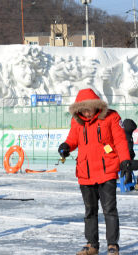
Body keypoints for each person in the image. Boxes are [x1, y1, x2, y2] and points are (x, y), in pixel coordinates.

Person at [58, 88, 131, 255]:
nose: (86, 112)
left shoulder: (111, 117)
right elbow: (72, 139)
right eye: (82, 109)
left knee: (109, 210)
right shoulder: (76, 121)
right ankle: (92, 245)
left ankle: (113, 245)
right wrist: (66, 146)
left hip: (107, 171)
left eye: (88, 108)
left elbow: (120, 140)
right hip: (86, 172)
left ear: (96, 105)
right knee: (90, 211)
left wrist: (125, 160)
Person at [122, 119, 138, 189]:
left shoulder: (120, 135)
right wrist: (133, 154)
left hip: (120, 161)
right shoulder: (128, 138)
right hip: (125, 163)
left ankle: (129, 183)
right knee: (131, 163)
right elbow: (129, 152)